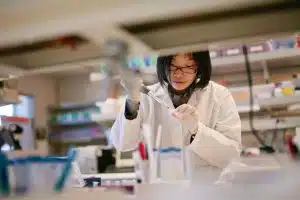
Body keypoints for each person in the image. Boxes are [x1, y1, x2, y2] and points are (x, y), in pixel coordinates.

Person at [111, 51, 241, 169]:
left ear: (200, 67)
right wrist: (132, 102)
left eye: (189, 67)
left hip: (207, 189)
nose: (178, 74)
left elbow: (231, 156)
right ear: (162, 65)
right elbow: (123, 143)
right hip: (163, 189)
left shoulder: (219, 95)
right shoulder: (146, 97)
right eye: (172, 66)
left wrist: (197, 131)